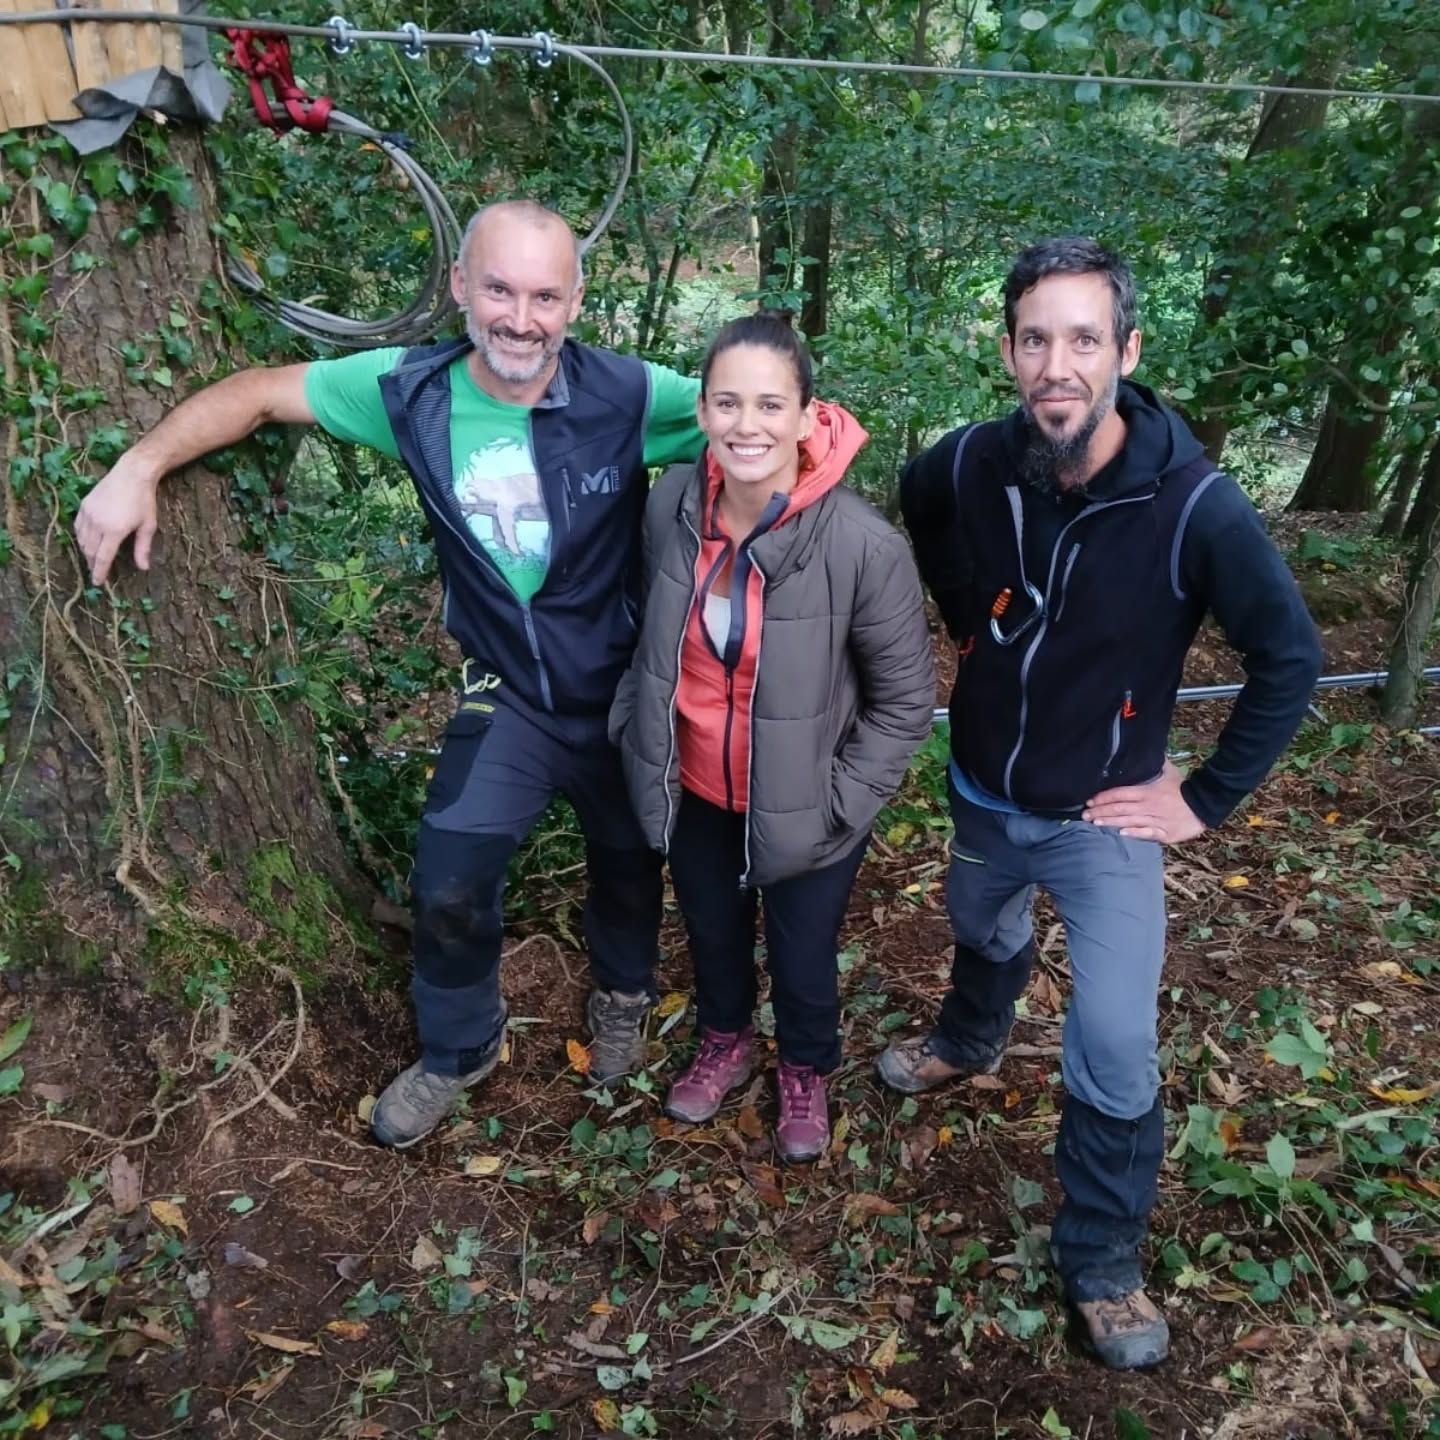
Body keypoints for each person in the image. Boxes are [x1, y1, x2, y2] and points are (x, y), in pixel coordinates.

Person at [73, 200, 706, 1149]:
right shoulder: (410, 392)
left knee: (630, 855)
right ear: (459, 287)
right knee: (447, 880)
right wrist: (140, 464)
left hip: (620, 688)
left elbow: (761, 415)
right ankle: (461, 1046)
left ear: (576, 302)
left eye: (544, 296)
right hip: (510, 695)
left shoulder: (629, 394)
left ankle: (623, 992)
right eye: (498, 289)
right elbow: (258, 393)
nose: (520, 318)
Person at [882, 238, 1322, 1368]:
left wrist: (1205, 797)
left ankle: (1103, 1258)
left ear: (1126, 351)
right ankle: (970, 1038)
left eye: (1084, 339)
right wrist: (965, 615)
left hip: (1104, 820)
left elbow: (1289, 658)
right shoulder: (976, 461)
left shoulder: (1195, 507)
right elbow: (918, 499)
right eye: (1036, 339)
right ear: (1008, 351)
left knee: (1116, 1038)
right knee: (979, 925)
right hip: (982, 789)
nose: (1057, 365)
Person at [611, 311, 934, 1163]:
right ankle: (725, 1038)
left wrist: (837, 805)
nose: (746, 425)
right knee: (712, 930)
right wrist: (636, 731)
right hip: (694, 784)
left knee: (802, 950)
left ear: (805, 414)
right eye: (727, 403)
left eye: (768, 404)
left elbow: (906, 703)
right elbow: (646, 634)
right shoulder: (671, 505)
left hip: (808, 801)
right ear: (703, 411)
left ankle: (804, 1066)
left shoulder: (865, 546)